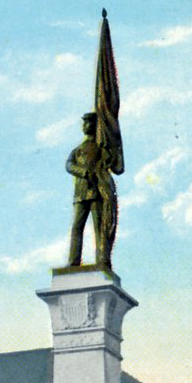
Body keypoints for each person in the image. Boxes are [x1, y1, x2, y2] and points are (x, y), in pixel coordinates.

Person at [66, 112, 117, 268]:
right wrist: (83, 171)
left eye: (88, 123)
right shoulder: (77, 150)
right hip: (81, 193)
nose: (85, 126)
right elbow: (69, 165)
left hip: (97, 192)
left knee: (99, 227)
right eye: (84, 123)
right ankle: (73, 261)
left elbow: (111, 162)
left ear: (95, 126)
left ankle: (102, 260)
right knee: (77, 227)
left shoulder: (101, 147)